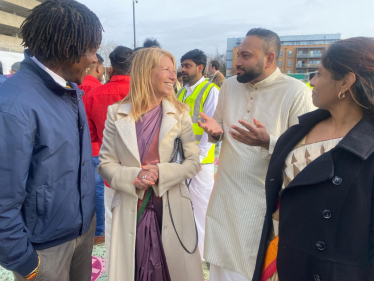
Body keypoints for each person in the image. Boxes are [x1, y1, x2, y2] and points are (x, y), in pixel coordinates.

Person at [199, 28, 315, 281]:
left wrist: (269, 142)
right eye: (238, 55)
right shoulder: (229, 87)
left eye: (246, 56)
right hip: (225, 193)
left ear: (270, 58)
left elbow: (308, 153)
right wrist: (215, 133)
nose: (237, 62)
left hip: (262, 201)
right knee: (220, 262)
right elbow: (218, 128)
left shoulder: (297, 93)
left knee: (250, 265)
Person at [254, 37, 374, 281]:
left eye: (319, 73)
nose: (312, 81)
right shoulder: (299, 131)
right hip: (278, 259)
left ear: (346, 82)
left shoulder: (368, 148)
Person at [0, 1, 103, 280]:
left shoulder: (71, 91)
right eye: (92, 50)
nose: (95, 59)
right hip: (44, 249)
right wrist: (25, 263)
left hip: (81, 231)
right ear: (67, 49)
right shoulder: (13, 105)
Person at [98, 47, 204, 281]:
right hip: (131, 206)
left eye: (173, 70)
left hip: (171, 205)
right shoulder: (116, 113)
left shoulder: (180, 113)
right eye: (166, 69)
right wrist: (135, 176)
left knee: (172, 269)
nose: (173, 76)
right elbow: (105, 163)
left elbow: (193, 162)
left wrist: (161, 172)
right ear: (146, 72)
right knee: (133, 268)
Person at [83, 46, 133, 249]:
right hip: (144, 172)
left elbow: (91, 135)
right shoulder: (148, 94)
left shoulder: (93, 95)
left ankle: (115, 269)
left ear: (111, 68)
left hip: (109, 168)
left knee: (112, 220)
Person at [177, 49, 219, 260]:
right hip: (182, 158)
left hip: (201, 162)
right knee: (185, 206)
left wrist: (199, 159)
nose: (182, 69)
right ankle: (190, 248)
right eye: (182, 65)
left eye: (187, 66)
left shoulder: (210, 90)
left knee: (202, 208)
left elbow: (209, 129)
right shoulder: (182, 91)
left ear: (200, 67)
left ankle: (203, 255)